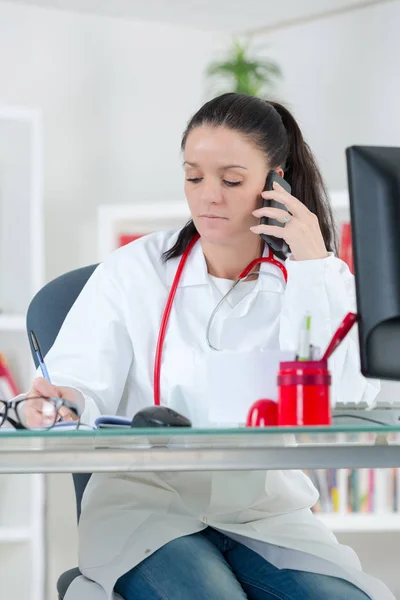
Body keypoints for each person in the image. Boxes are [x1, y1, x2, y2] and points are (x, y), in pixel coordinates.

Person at [27, 93, 394, 600]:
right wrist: (60, 401)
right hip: (146, 508)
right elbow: (79, 384)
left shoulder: (312, 277)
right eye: (194, 176)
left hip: (264, 510)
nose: (208, 197)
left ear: (276, 182)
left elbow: (344, 396)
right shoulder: (134, 270)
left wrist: (314, 267)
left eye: (232, 179)